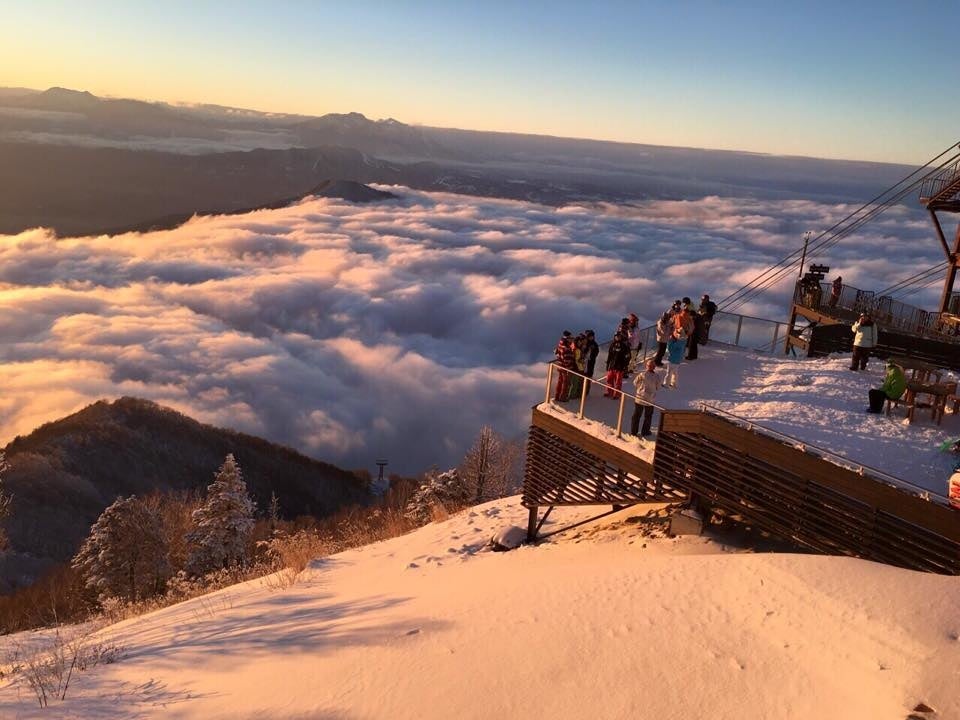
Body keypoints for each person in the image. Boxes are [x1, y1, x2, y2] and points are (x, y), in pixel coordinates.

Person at [630, 359, 661, 437]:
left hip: (640, 397)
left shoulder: (642, 374)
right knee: (648, 416)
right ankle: (645, 431)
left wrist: (640, 388)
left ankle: (634, 431)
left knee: (636, 415)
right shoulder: (657, 376)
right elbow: (658, 387)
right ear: (654, 367)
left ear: (646, 366)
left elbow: (635, 383)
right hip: (650, 399)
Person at [604, 331, 632, 398]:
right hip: (612, 365)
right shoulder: (612, 344)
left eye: (619, 336)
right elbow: (609, 355)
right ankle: (609, 392)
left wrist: (625, 365)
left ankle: (617, 394)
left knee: (618, 381)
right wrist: (608, 364)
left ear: (621, 337)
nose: (617, 337)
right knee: (609, 379)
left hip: (620, 367)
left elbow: (628, 356)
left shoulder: (624, 346)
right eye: (616, 336)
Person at [553, 331, 576, 401]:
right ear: (567, 338)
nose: (572, 340)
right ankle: (563, 398)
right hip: (565, 368)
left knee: (560, 381)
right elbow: (567, 359)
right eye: (571, 338)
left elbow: (557, 352)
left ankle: (557, 396)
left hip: (560, 365)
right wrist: (570, 368)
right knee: (565, 383)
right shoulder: (566, 348)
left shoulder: (561, 344)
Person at [568, 333, 587, 401]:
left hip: (578, 368)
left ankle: (574, 394)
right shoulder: (577, 350)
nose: (580, 343)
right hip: (576, 368)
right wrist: (581, 360)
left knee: (577, 382)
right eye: (579, 342)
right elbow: (576, 359)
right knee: (575, 383)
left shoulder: (576, 349)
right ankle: (572, 395)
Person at [583, 329, 599, 395]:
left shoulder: (595, 344)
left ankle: (586, 391)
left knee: (589, 376)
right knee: (583, 376)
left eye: (592, 336)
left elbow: (596, 352)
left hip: (591, 362)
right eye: (589, 336)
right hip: (584, 363)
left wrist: (591, 356)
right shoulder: (584, 343)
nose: (591, 337)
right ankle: (581, 390)